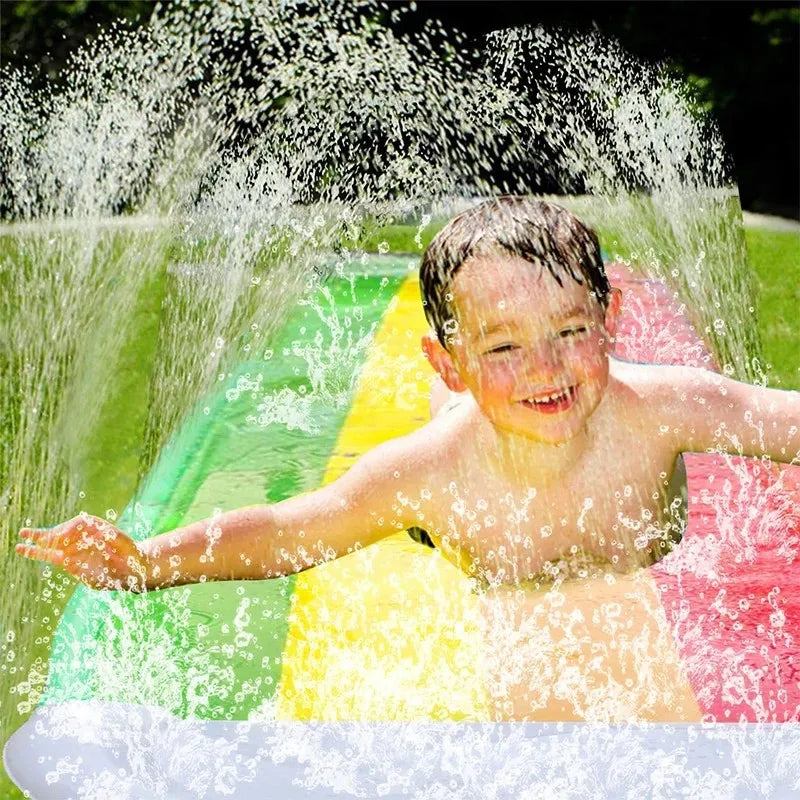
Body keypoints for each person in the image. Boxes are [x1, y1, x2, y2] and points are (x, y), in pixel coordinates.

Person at [16, 197, 800, 720]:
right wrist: (149, 561)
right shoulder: (429, 473)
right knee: (438, 458)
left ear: (610, 320)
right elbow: (293, 531)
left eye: (568, 332)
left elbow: (784, 422)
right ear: (449, 360)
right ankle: (458, 403)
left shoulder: (666, 407)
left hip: (600, 506)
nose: (546, 368)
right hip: (470, 494)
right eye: (502, 345)